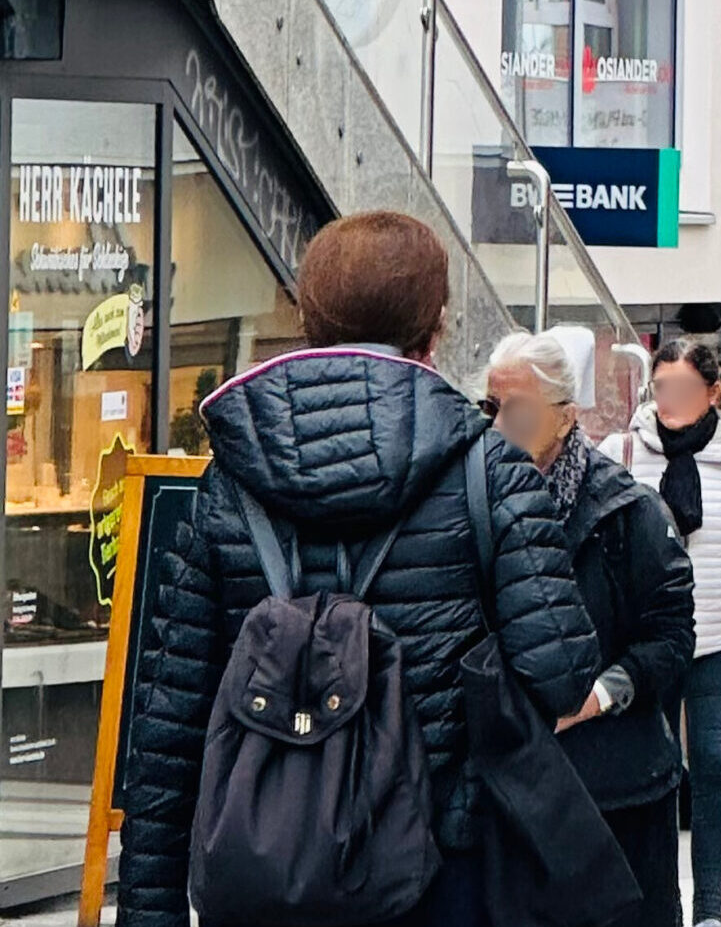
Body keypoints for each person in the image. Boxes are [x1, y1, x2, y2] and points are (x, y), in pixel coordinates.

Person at [119, 211, 602, 927]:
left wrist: (148, 911)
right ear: (434, 328)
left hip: (263, 865)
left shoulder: (230, 480)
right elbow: (560, 676)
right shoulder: (489, 470)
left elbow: (170, 720)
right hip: (438, 866)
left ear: (308, 317)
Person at [489, 328, 696, 927]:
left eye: (518, 410)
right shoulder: (473, 501)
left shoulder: (625, 511)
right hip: (511, 791)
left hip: (618, 787)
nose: (501, 425)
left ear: (563, 415)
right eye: (491, 408)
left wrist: (602, 694)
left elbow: (671, 638)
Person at [604, 339, 721, 927]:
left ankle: (710, 911)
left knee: (716, 764)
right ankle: (660, 903)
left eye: (683, 389)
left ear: (713, 392)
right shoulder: (624, 454)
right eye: (660, 388)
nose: (669, 401)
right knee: (653, 774)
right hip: (648, 645)